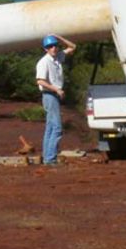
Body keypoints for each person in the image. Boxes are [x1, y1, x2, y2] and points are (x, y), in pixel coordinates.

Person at [35, 34, 76, 165]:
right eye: (49, 46)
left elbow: (73, 47)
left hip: (54, 96)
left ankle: (48, 157)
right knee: (57, 128)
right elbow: (40, 81)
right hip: (49, 95)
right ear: (45, 49)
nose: (53, 48)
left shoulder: (58, 57)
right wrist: (56, 89)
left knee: (51, 128)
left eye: (54, 45)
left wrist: (59, 37)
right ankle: (50, 158)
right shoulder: (43, 62)